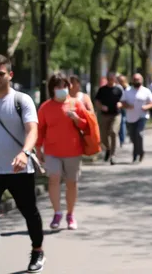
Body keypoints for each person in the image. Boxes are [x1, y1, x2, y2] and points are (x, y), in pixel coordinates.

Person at [0, 54, 45, 273]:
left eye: (0, 74)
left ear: (10, 75)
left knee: (29, 211)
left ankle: (38, 250)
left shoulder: (21, 101)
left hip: (20, 169)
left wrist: (25, 153)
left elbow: (33, 130)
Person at [36, 74, 88, 232]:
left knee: (72, 183)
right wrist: (38, 149)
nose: (62, 90)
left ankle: (70, 214)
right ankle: (57, 212)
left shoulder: (76, 104)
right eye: (58, 87)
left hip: (73, 150)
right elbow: (40, 130)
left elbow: (86, 126)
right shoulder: (45, 107)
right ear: (52, 89)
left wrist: (77, 119)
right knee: (54, 179)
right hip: (52, 151)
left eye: (64, 86)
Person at [120, 74, 152, 163]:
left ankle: (138, 154)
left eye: (138, 79)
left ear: (141, 80)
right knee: (133, 137)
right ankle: (138, 152)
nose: (137, 81)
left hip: (142, 116)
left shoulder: (146, 91)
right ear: (132, 80)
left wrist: (146, 107)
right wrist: (127, 106)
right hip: (130, 117)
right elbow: (122, 102)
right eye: (135, 79)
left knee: (139, 133)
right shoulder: (127, 91)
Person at [95, 72, 124, 164]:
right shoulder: (102, 90)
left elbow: (124, 100)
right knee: (103, 136)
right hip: (104, 115)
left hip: (116, 115)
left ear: (114, 79)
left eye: (112, 79)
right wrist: (101, 107)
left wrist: (121, 104)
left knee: (113, 132)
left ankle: (113, 155)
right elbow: (97, 101)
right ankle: (108, 149)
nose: (111, 80)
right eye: (109, 79)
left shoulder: (119, 89)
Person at [117, 75, 130, 146]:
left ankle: (126, 137)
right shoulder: (118, 87)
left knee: (125, 122)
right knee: (122, 122)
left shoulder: (127, 88)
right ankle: (122, 139)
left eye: (121, 81)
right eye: (119, 80)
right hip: (120, 107)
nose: (120, 82)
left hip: (126, 107)